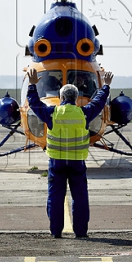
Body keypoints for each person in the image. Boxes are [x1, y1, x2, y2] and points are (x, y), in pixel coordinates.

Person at [26, 68, 113, 238]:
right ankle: (81, 232)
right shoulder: (83, 113)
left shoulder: (53, 113)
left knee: (55, 197)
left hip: (57, 162)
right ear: (74, 97)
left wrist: (32, 85)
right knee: (80, 198)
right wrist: (106, 87)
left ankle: (55, 232)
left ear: (62, 98)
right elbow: (98, 101)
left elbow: (34, 103)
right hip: (77, 163)